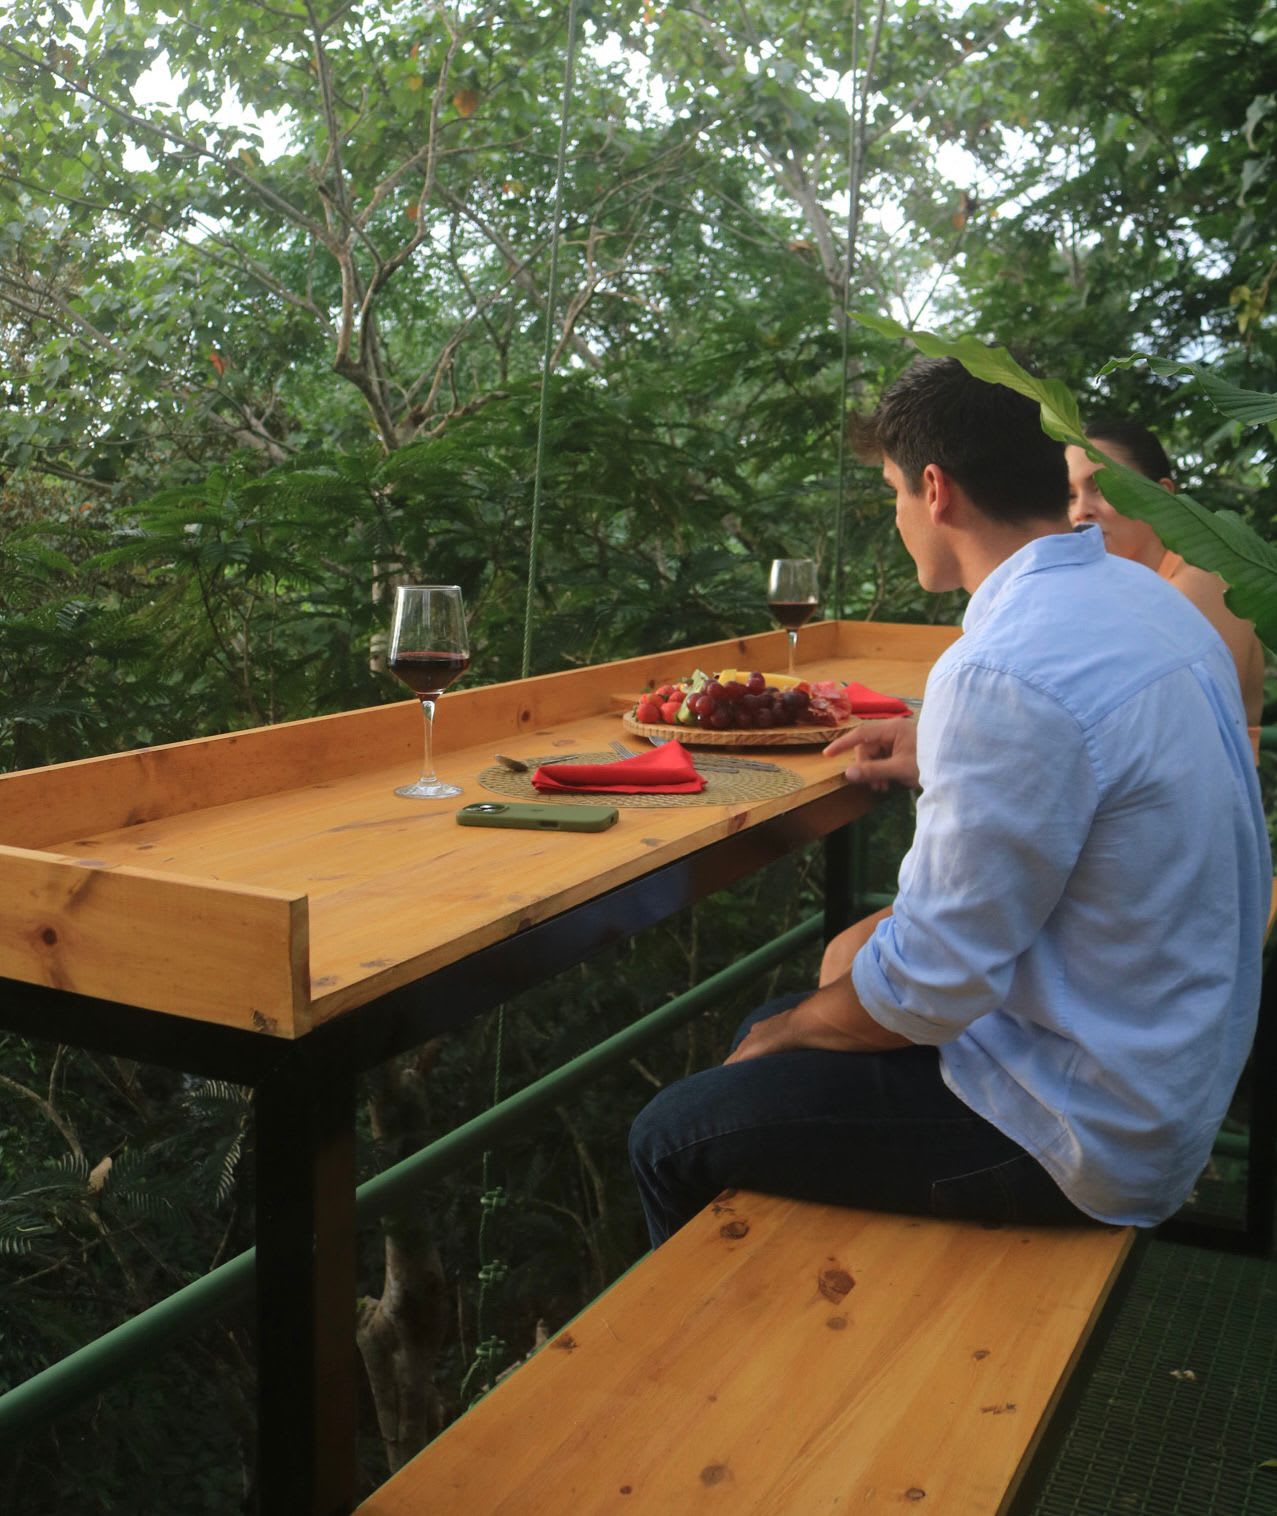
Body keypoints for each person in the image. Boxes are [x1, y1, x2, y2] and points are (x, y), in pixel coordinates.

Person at [628, 357, 1270, 1250]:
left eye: (891, 492)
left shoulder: (1002, 665)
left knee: (674, 1131)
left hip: (1079, 1129)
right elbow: (1087, 769)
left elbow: (932, 985)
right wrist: (940, 746)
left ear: (934, 490)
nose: (896, 517)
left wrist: (791, 1030)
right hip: (1159, 1074)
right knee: (775, 1036)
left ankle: (753, 1343)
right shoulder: (1138, 598)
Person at [1065, 420, 1265, 725]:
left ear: (1159, 496)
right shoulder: (1122, 592)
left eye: (1102, 487)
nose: (1081, 510)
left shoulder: (1202, 582)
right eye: (1069, 496)